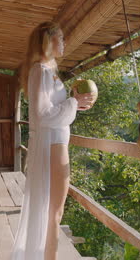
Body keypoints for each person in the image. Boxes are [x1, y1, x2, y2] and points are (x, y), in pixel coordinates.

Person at [11, 21, 94, 260]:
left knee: (54, 211)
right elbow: (41, 115)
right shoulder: (40, 70)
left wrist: (74, 105)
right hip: (52, 145)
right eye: (61, 38)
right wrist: (73, 103)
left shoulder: (47, 70)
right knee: (54, 211)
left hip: (56, 143)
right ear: (49, 41)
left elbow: (51, 110)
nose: (65, 42)